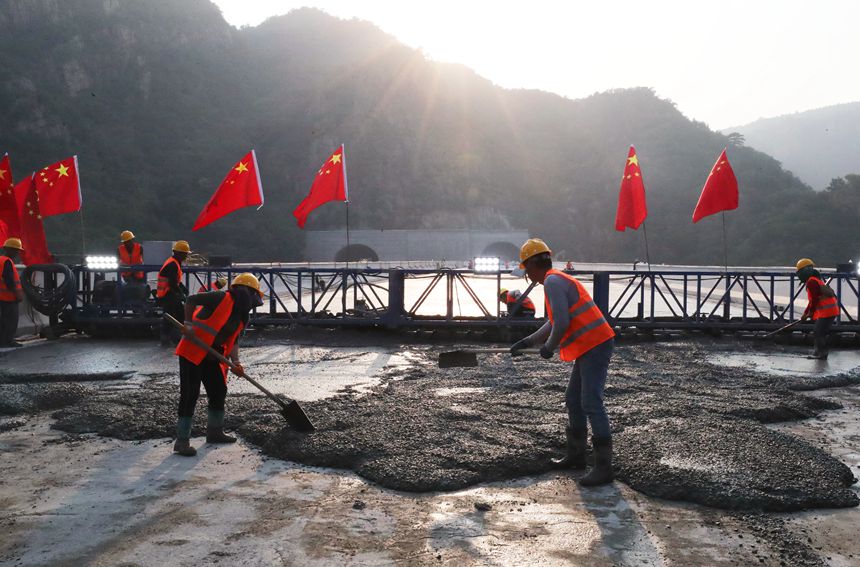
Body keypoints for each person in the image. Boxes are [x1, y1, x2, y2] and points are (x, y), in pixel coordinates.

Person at [510, 238, 616, 486]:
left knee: (591, 402)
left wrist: (548, 348)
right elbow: (554, 320)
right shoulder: (556, 280)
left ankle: (604, 467)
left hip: (596, 344)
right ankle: (577, 456)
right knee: (573, 399)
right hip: (590, 345)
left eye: (526, 270)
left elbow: (562, 323)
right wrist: (528, 341)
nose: (527, 276)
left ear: (533, 265)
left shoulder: (553, 282)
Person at [173, 273, 264, 456]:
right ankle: (182, 441)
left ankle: (214, 432)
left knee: (218, 390)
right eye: (254, 296)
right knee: (190, 393)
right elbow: (191, 300)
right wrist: (188, 324)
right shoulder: (221, 297)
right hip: (193, 350)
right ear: (246, 291)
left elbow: (234, 340)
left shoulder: (241, 315)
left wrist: (236, 362)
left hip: (212, 356)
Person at [796, 258, 839, 359]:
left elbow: (815, 300)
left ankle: (822, 353)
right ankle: (817, 352)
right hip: (828, 311)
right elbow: (812, 301)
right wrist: (805, 313)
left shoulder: (812, 282)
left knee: (818, 332)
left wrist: (811, 312)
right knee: (818, 331)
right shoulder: (814, 280)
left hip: (828, 312)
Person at [157, 240, 190, 346]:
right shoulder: (172, 264)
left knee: (179, 315)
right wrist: (181, 295)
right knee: (171, 316)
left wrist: (183, 289)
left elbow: (176, 281)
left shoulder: (175, 262)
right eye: (185, 254)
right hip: (167, 294)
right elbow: (172, 283)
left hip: (169, 293)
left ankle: (176, 338)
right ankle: (167, 339)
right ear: (178, 253)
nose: (186, 256)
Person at [0, 238, 25, 348]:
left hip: (2, 296)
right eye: (16, 250)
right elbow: (10, 281)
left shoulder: (0, 260)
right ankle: (8, 341)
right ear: (9, 250)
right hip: (8, 297)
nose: (17, 253)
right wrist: (17, 294)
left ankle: (2, 341)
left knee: (3, 321)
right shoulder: (7, 262)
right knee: (11, 320)